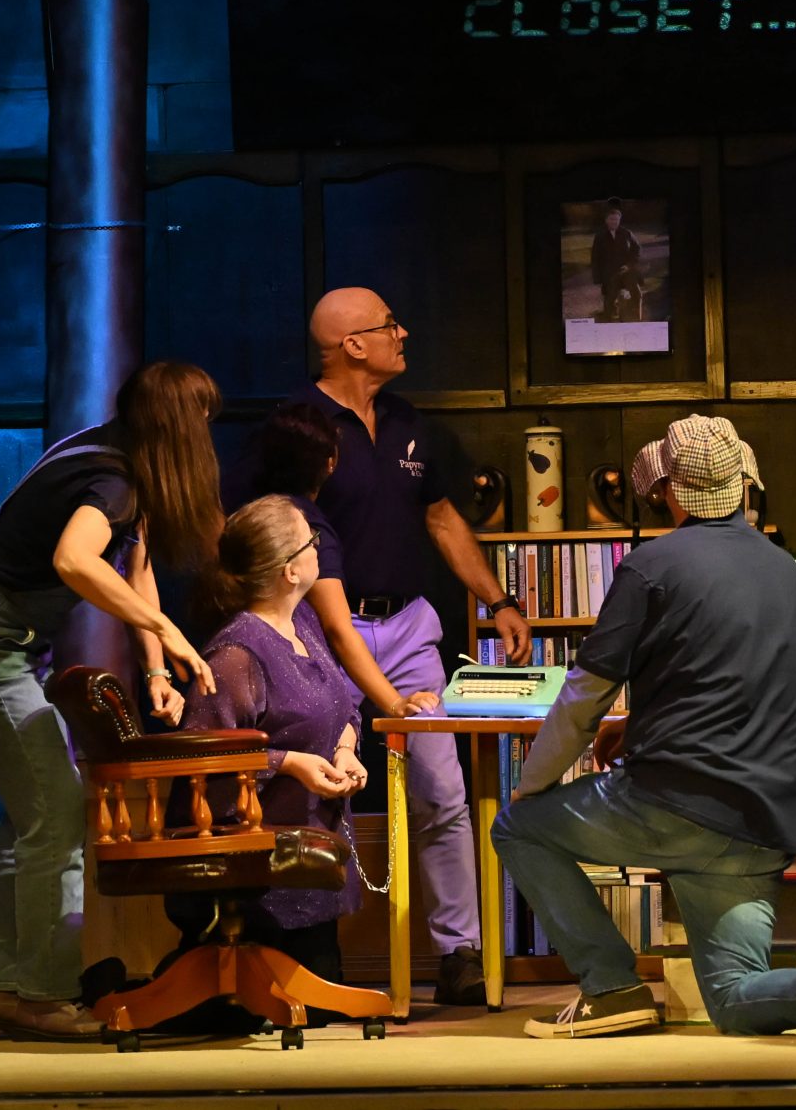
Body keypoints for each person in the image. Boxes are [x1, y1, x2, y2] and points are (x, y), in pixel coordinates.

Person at [491, 415, 796, 1042]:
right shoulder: (787, 573)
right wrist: (640, 724)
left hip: (671, 805)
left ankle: (611, 988)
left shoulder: (650, 566)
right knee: (733, 1000)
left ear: (670, 490)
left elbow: (585, 697)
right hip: (760, 825)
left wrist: (532, 786)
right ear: (742, 485)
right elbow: (726, 683)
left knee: (518, 827)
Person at [0, 360, 225, 1041]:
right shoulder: (112, 477)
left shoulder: (125, 464)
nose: (208, 433)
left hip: (7, 636)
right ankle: (43, 995)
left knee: (35, 816)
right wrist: (167, 629)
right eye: (203, 417)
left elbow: (136, 568)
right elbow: (75, 560)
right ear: (180, 425)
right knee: (56, 812)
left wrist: (155, 671)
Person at [293, 286, 530, 1006]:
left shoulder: (406, 422)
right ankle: (314, 949)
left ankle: (459, 953)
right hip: (325, 632)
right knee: (320, 789)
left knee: (443, 792)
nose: (404, 334)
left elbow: (443, 518)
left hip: (408, 630)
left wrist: (498, 601)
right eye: (389, 325)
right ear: (352, 344)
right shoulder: (300, 427)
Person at [174, 495, 370, 988]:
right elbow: (203, 758)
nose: (319, 549)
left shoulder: (303, 623)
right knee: (283, 1006)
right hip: (257, 868)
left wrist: (345, 749)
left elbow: (343, 706)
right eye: (311, 541)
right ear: (290, 570)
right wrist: (288, 762)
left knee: (317, 1002)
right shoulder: (237, 654)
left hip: (314, 857)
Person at [251, 398, 443, 723]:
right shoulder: (308, 528)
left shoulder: (258, 516)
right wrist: (394, 703)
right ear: (331, 462)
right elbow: (338, 627)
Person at [590, 197, 645, 322]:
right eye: (611, 219)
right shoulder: (600, 237)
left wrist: (629, 265)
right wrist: (598, 277)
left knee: (637, 294)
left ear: (619, 220)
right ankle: (609, 322)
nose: (614, 222)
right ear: (606, 220)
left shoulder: (627, 233)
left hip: (627, 272)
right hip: (610, 275)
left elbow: (637, 249)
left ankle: (637, 320)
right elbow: (595, 258)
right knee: (609, 301)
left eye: (616, 219)